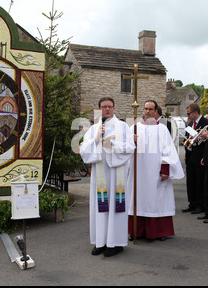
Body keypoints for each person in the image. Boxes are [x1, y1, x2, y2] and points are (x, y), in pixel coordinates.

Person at [79, 97, 135, 257]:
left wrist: (113, 145)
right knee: (100, 207)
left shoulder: (123, 127)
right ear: (99, 109)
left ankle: (116, 243)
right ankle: (101, 242)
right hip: (100, 174)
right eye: (104, 107)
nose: (107, 109)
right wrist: (96, 140)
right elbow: (83, 150)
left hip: (117, 174)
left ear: (114, 108)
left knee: (116, 208)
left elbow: (131, 147)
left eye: (110, 106)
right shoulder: (94, 128)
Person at [127, 100, 184, 241]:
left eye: (150, 109)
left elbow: (168, 151)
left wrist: (165, 169)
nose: (147, 112)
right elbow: (124, 148)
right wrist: (130, 141)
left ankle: (158, 232)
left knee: (156, 199)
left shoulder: (162, 129)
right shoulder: (134, 128)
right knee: (137, 199)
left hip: (155, 172)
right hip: (138, 172)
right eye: (145, 109)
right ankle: (136, 231)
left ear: (156, 111)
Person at [182, 103, 208, 214]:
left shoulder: (206, 123)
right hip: (190, 156)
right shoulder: (190, 124)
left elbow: (207, 143)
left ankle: (200, 204)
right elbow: (187, 139)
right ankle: (192, 203)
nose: (187, 116)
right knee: (191, 182)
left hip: (200, 156)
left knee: (199, 182)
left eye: (189, 113)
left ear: (195, 112)